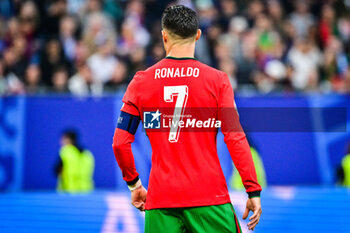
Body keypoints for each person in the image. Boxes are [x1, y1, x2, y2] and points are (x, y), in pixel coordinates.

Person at [112, 5, 262, 233]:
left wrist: (135, 184)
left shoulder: (141, 82)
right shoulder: (217, 81)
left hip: (161, 201)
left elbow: (120, 143)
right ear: (198, 35)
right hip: (210, 198)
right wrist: (252, 189)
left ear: (164, 36)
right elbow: (235, 138)